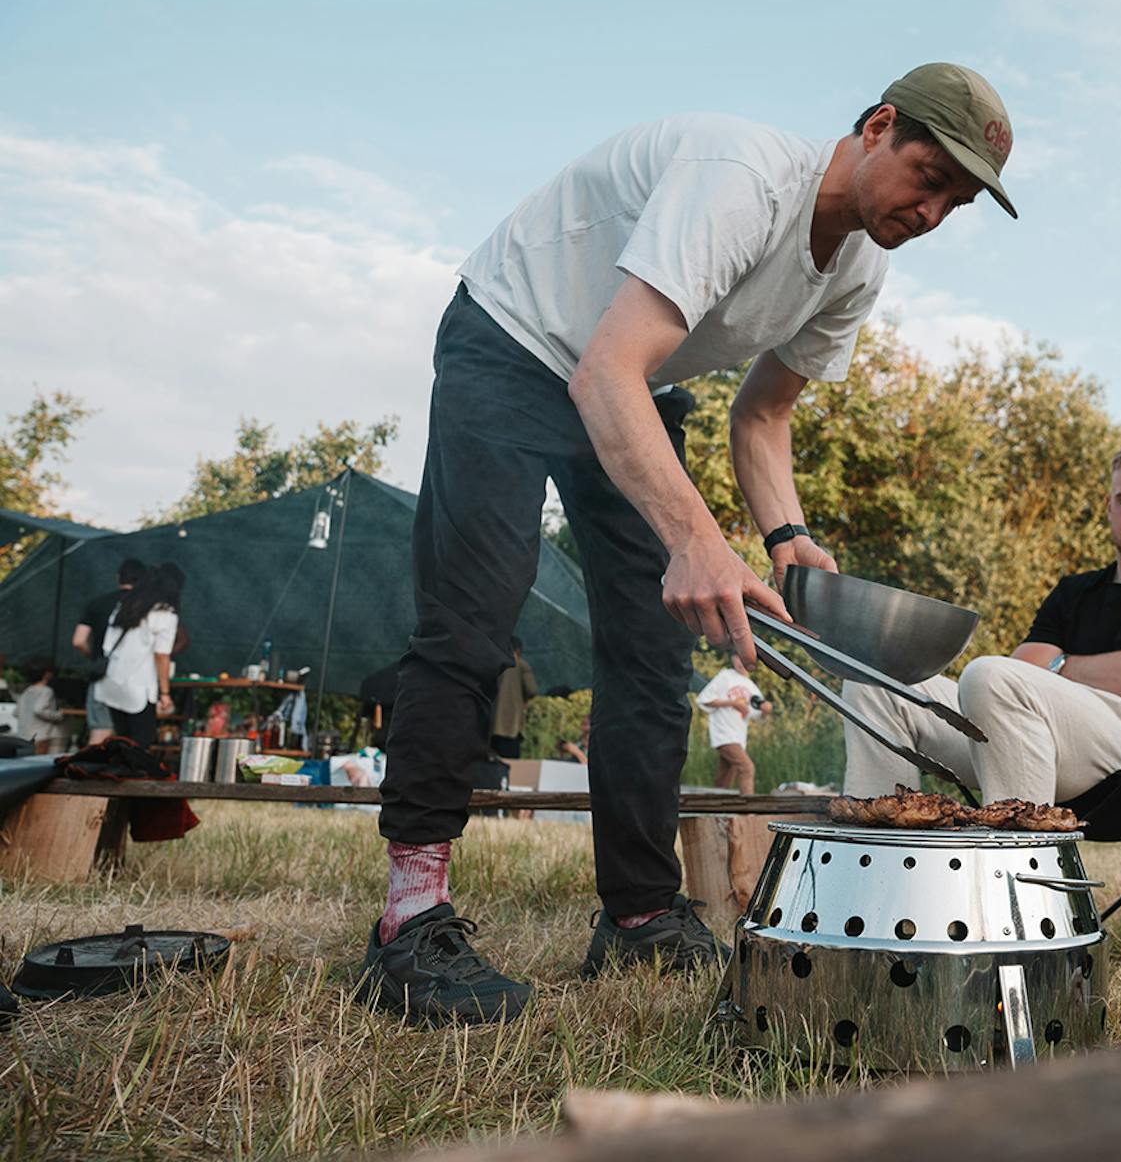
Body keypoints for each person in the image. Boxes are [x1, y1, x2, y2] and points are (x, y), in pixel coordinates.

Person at [361, 62, 1017, 1025]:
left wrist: (786, 535)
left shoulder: (861, 268)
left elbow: (762, 417)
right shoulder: (743, 178)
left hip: (627, 382)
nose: (932, 211)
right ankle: (408, 920)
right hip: (515, 340)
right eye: (930, 177)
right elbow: (604, 375)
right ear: (879, 126)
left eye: (955, 203)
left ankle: (637, 911)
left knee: (653, 648)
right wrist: (697, 540)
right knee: (475, 619)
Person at [841, 437, 1121, 806]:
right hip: (1043, 740)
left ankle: (1021, 873)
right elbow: (1023, 669)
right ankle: (878, 861)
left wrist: (1059, 668)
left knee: (989, 675)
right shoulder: (1075, 591)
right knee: (876, 681)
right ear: (1108, 506)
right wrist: (1107, 677)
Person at [95, 562, 186, 747]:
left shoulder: (125, 607)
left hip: (111, 683)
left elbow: (107, 645)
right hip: (138, 688)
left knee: (123, 741)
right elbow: (162, 656)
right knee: (141, 744)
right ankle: (132, 774)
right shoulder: (166, 615)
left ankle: (119, 773)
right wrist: (165, 693)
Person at [72, 558, 145, 745]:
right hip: (135, 679)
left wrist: (97, 658)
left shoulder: (97, 603)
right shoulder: (147, 607)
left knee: (101, 729)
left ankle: (87, 772)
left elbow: (79, 640)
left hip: (103, 676)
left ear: (118, 578)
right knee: (134, 734)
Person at [696, 657, 769, 796]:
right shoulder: (725, 676)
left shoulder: (751, 687)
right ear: (733, 659)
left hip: (739, 738)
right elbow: (704, 700)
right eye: (738, 658)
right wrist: (732, 703)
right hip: (724, 735)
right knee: (747, 768)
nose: (741, 662)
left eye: (744, 658)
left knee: (724, 781)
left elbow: (758, 716)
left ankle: (716, 812)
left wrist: (766, 711)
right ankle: (748, 811)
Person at [488, 638, 539, 759]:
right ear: (518, 650)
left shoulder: (493, 664)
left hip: (490, 725)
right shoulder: (521, 665)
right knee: (510, 765)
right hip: (511, 726)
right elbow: (532, 689)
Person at [16, 658, 64, 753]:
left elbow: (16, 712)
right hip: (39, 736)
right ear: (47, 674)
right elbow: (39, 710)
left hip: (23, 735)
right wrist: (58, 715)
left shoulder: (27, 690)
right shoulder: (46, 691)